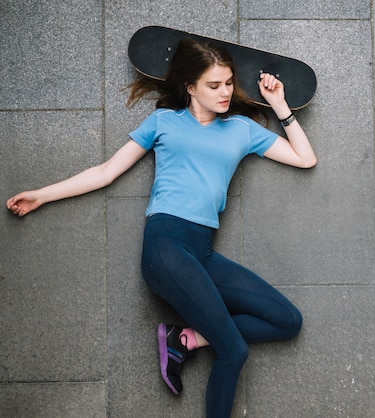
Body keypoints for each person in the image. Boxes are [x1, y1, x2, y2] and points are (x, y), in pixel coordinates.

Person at [6, 37, 316, 417]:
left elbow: (305, 158)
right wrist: (42, 194)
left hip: (201, 252)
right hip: (166, 249)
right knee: (233, 351)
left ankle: (184, 339)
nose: (225, 92)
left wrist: (280, 106)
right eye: (213, 85)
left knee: (288, 320)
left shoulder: (240, 129)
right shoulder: (163, 122)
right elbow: (105, 172)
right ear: (190, 87)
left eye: (229, 83)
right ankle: (193, 342)